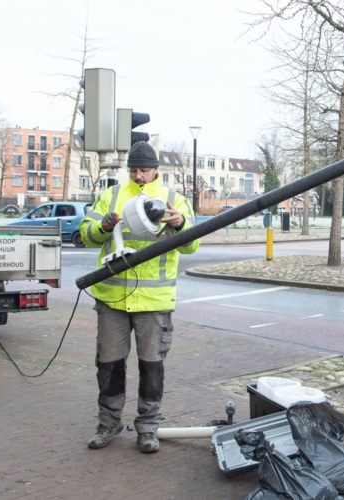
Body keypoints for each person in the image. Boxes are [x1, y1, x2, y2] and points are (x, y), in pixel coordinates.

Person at [80, 141, 199, 453]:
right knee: (108, 365)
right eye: (133, 169)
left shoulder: (174, 199)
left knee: (151, 368)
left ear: (156, 169)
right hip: (112, 299)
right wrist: (104, 226)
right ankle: (108, 424)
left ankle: (147, 429)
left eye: (144, 170)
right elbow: (86, 234)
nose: (139, 175)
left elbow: (191, 246)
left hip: (153, 301)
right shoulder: (112, 195)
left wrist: (181, 223)